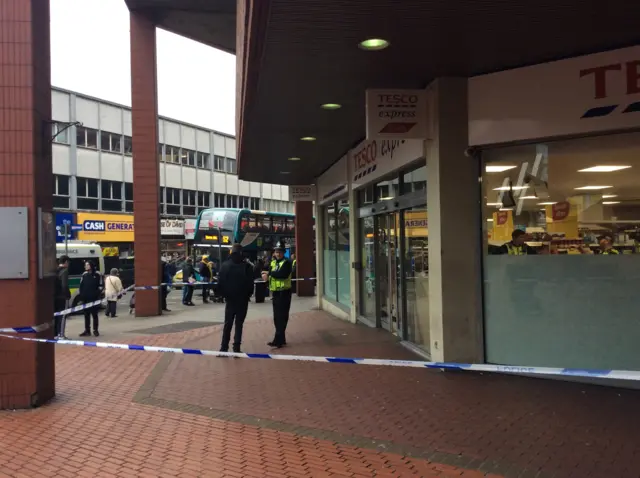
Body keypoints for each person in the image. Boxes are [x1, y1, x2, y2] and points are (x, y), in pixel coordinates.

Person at [218, 243, 255, 352]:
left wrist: (224, 295)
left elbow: (220, 283)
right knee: (239, 324)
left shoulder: (225, 265)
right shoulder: (247, 266)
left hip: (230, 300)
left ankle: (224, 347)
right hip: (242, 300)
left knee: (227, 324)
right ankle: (236, 347)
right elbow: (250, 283)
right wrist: (248, 295)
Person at [262, 242, 293, 348]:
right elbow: (270, 274)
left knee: (282, 317)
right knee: (277, 317)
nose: (277, 253)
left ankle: (278, 339)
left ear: (284, 252)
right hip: (275, 293)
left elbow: (283, 275)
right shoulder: (273, 263)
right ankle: (281, 339)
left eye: (279, 252)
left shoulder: (287, 262)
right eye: (276, 251)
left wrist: (269, 274)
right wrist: (266, 277)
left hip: (284, 292)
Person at [79, 261, 102, 337]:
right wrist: (82, 296)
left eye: (87, 265)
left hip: (94, 299)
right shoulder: (84, 275)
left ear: (91, 265)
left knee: (94, 315)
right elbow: (81, 286)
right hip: (86, 298)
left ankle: (95, 330)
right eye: (85, 265)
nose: (85, 266)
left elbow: (100, 286)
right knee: (86, 315)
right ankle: (87, 330)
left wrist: (97, 294)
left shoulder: (97, 274)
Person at [54, 255, 71, 339]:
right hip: (62, 297)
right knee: (63, 315)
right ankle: (61, 334)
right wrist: (67, 295)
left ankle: (55, 333)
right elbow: (64, 285)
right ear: (66, 262)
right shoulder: (64, 271)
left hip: (54, 297)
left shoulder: (55, 270)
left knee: (56, 315)